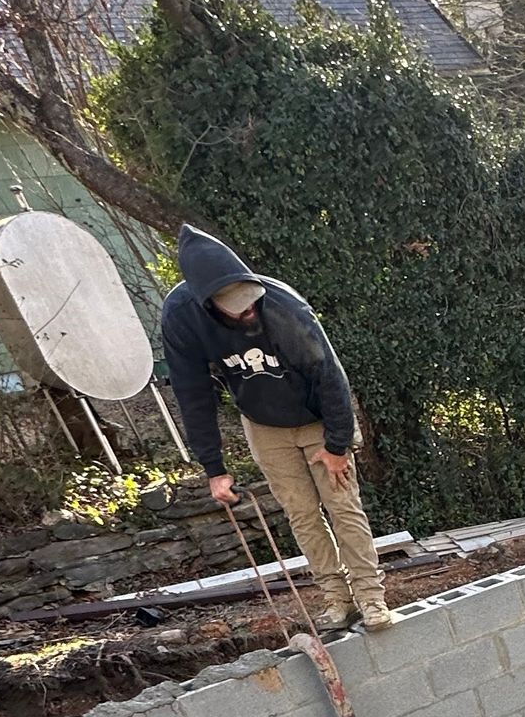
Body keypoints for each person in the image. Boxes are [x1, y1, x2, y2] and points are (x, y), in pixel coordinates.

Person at [160, 225, 393, 635]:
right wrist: (214, 467)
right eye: (235, 306)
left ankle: (371, 597)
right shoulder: (181, 317)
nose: (247, 310)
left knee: (342, 506)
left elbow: (330, 376)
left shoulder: (283, 304)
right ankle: (337, 601)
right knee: (301, 514)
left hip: (317, 418)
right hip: (264, 424)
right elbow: (193, 394)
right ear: (207, 302)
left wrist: (338, 445)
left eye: (249, 300)